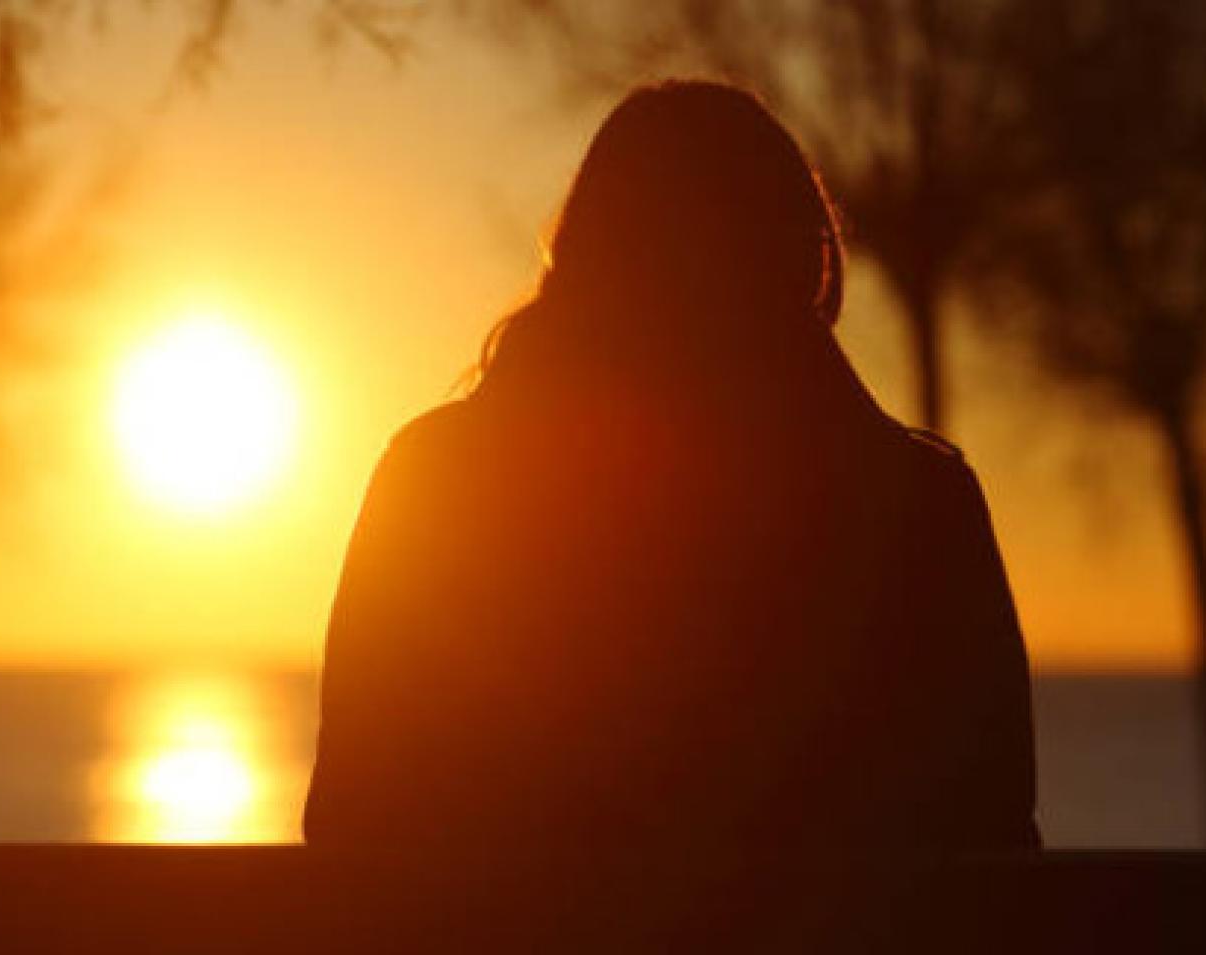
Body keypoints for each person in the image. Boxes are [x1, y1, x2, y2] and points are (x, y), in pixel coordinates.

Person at [304, 81, 1039, 851]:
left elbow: (349, 817)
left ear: (587, 253)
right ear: (800, 259)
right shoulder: (920, 505)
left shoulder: (435, 482)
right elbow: (996, 833)